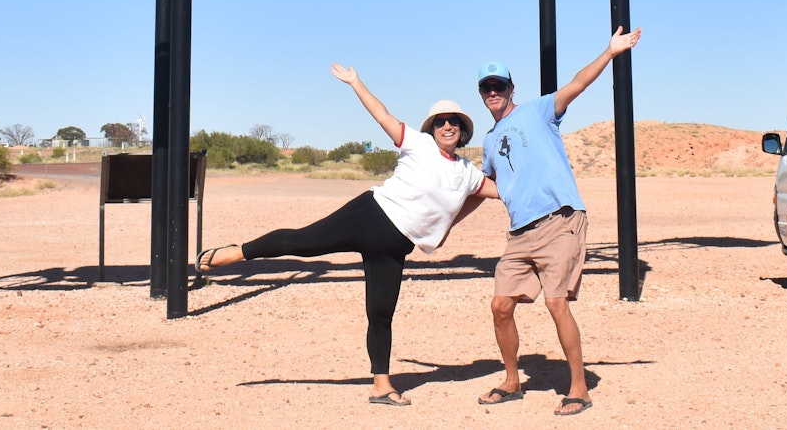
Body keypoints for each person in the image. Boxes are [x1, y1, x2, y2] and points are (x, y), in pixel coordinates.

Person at [194, 63, 498, 407]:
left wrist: (450, 226)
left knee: (381, 313)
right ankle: (237, 252)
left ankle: (382, 385)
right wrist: (356, 82)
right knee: (301, 242)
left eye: (454, 122)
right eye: (441, 122)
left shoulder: (467, 173)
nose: (447, 126)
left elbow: (498, 192)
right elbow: (382, 115)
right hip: (369, 216)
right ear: (431, 128)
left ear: (463, 130)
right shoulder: (417, 144)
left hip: (395, 247)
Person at [472, 26, 642, 416]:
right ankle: (512, 381)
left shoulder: (539, 110)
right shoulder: (490, 140)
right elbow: (491, 186)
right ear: (482, 94)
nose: (493, 92)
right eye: (487, 88)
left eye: (499, 85)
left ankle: (579, 388)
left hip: (559, 220)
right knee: (500, 305)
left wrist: (610, 51)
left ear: (512, 88)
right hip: (520, 233)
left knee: (556, 302)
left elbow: (578, 84)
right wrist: (446, 214)